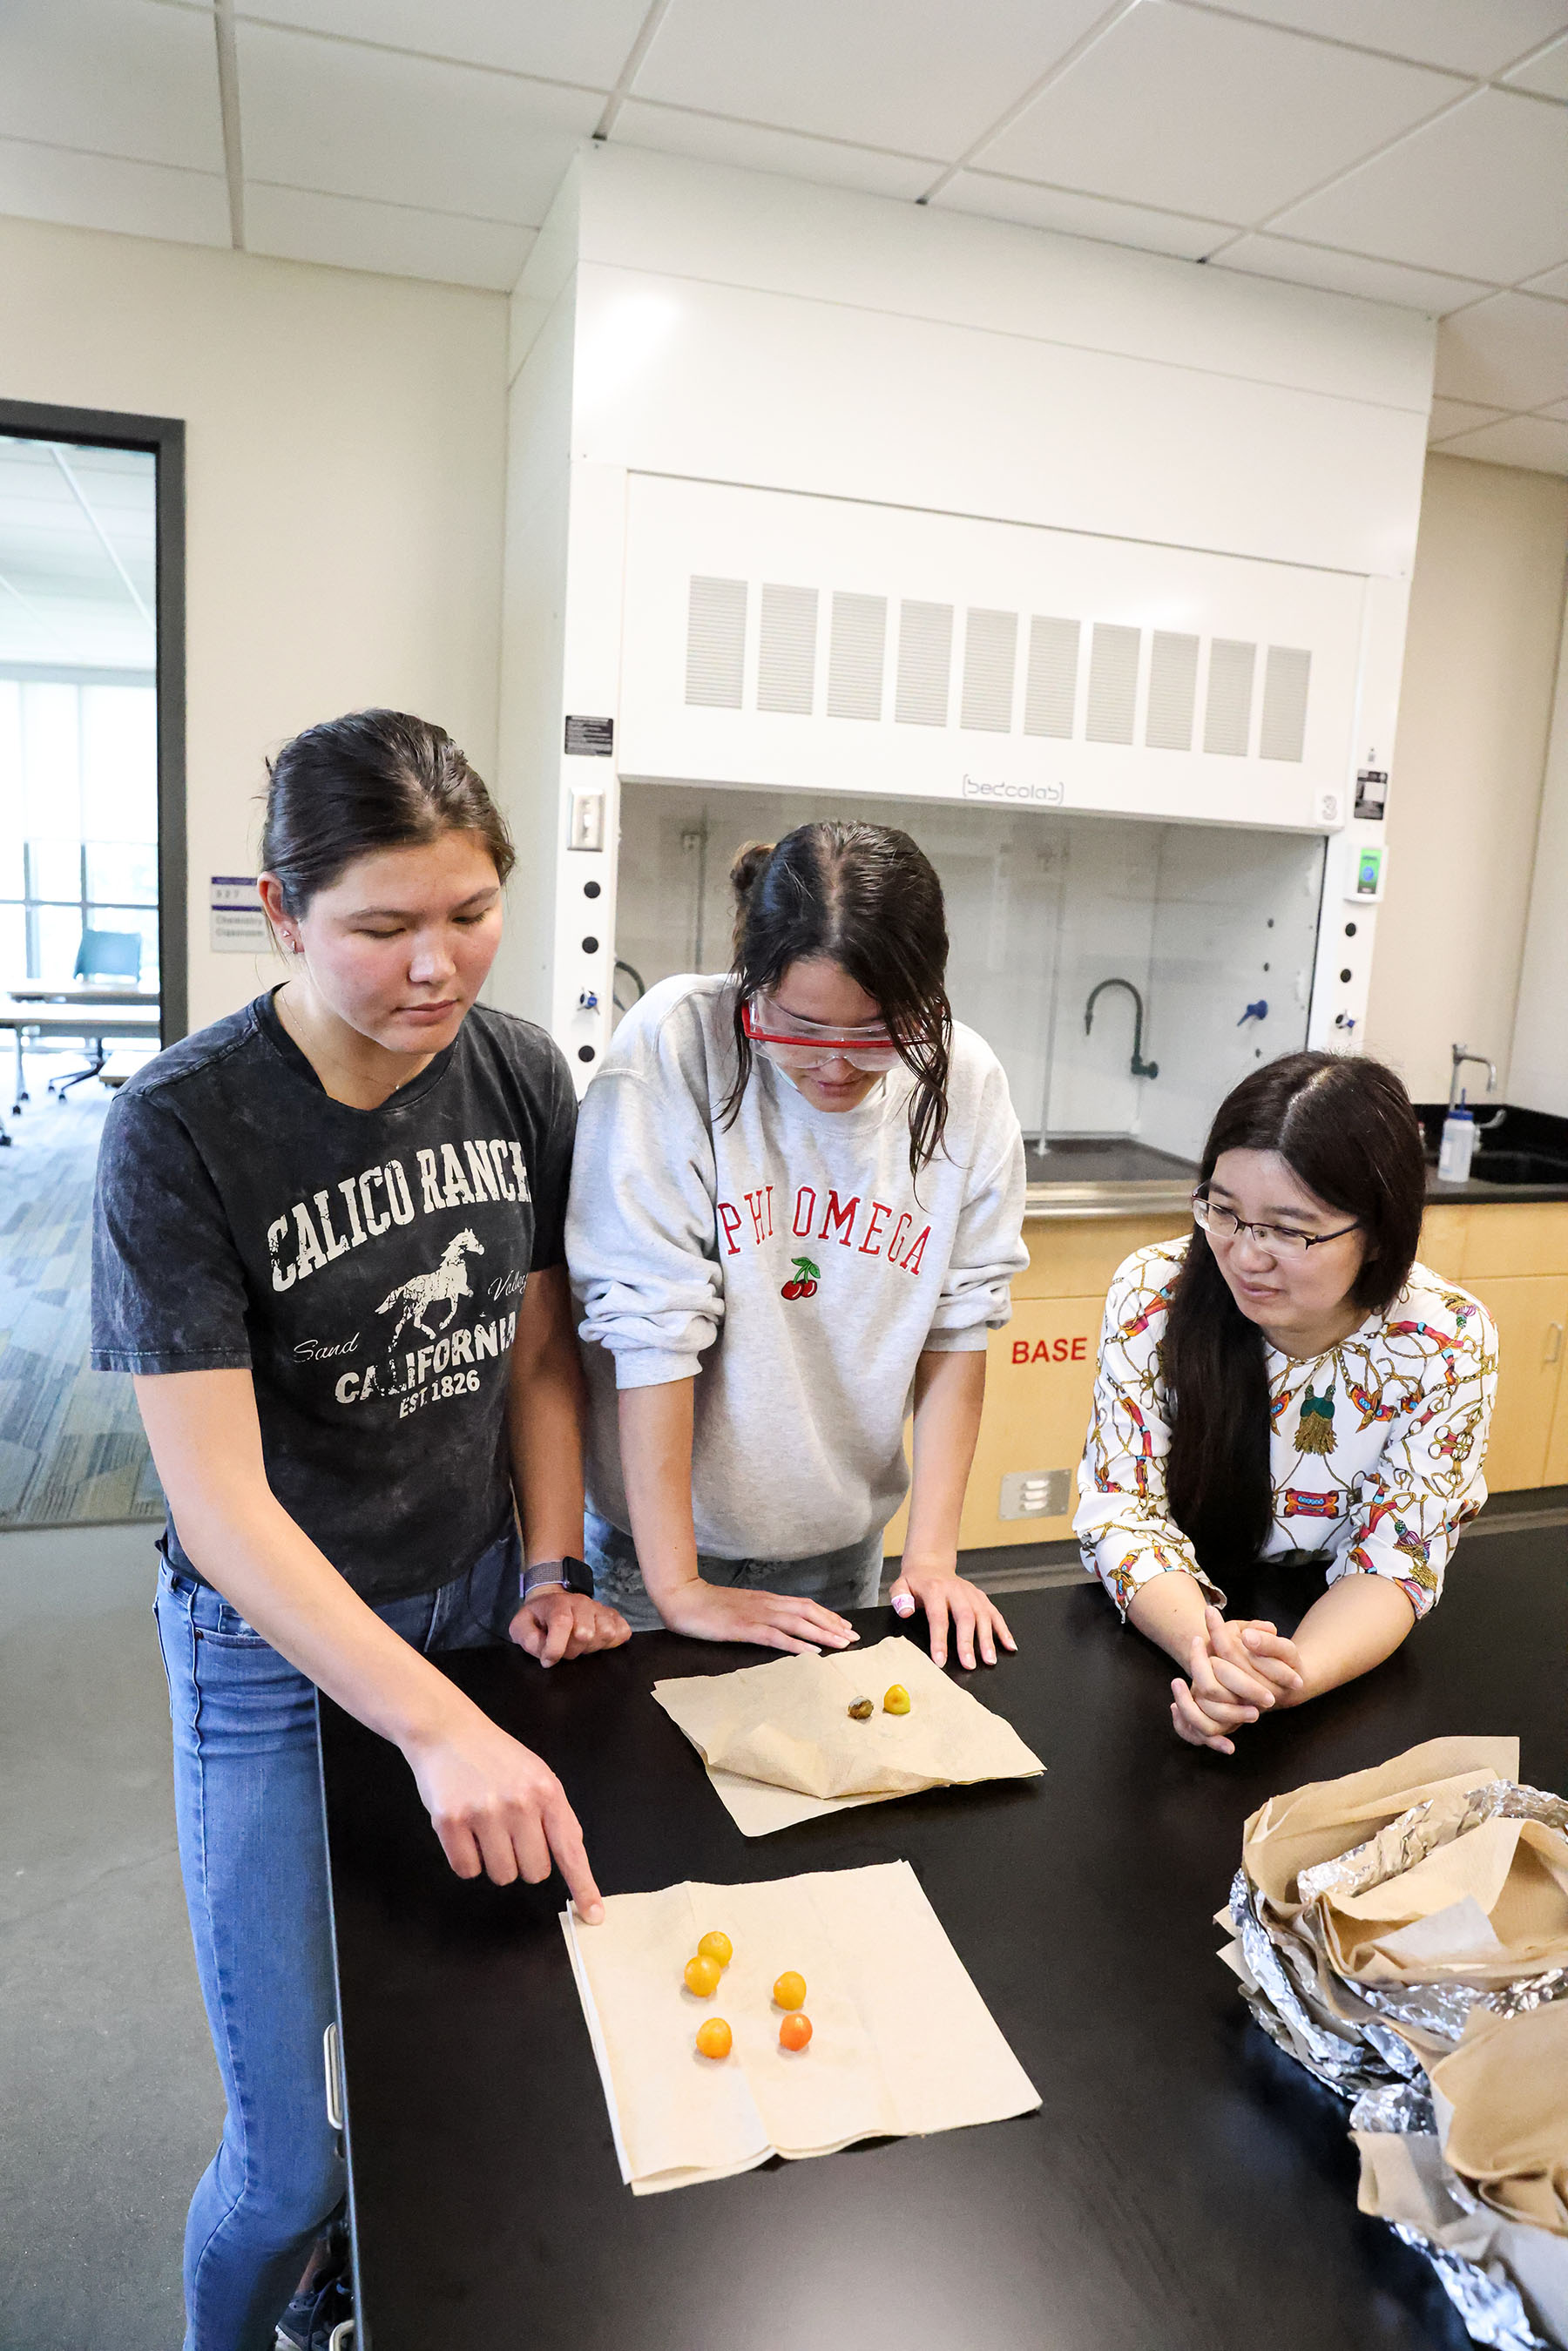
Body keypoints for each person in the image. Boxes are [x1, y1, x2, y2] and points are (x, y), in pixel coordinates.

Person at [91, 711, 629, 2351]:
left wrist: (551, 1563)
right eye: (384, 926)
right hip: (266, 1652)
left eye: (470, 911)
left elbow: (540, 1349)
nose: (435, 965)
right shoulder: (182, 1129)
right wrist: (436, 1718)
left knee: (467, 2062)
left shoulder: (524, 1069)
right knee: (284, 2167)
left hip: (473, 1599)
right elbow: (221, 1502)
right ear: (282, 911)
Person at [566, 821, 1029, 1670]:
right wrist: (679, 1588)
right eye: (802, 1027)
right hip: (655, 1558)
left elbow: (958, 1328)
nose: (837, 1067)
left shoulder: (966, 1084)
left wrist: (930, 1558)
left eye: (880, 1031)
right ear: (753, 979)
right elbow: (649, 1329)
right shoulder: (679, 1045)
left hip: (844, 1548)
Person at [1075, 1051, 1496, 1754]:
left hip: (1335, 1647)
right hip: (1171, 1616)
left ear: (1380, 1232)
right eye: (1225, 1211)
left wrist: (1281, 1680)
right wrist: (1207, 1650)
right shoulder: (1155, 1291)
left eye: (1290, 1229)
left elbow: (1393, 1563)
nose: (1245, 1255)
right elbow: (1123, 1508)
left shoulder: (1444, 1340)